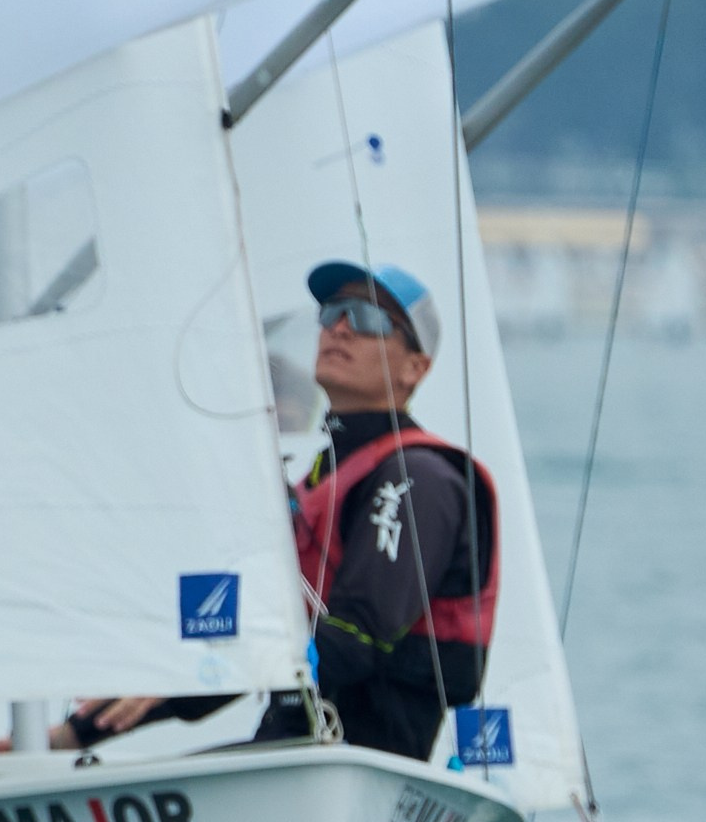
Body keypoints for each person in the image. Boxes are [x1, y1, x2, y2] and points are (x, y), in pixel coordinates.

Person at [62, 261, 498, 763]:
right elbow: (253, 653)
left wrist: (225, 665)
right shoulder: (320, 481)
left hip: (360, 763)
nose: (339, 328)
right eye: (332, 313)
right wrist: (75, 735)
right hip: (296, 753)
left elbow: (354, 638)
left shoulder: (418, 479)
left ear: (414, 368)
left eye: (368, 318)